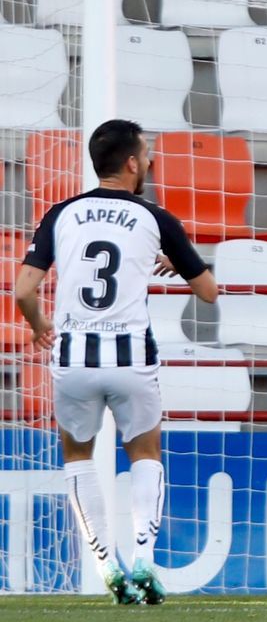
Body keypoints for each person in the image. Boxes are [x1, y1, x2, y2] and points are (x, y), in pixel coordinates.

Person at [14, 119, 218, 605]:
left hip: (74, 356)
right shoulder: (156, 218)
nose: (148, 160)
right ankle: (145, 558)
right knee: (145, 453)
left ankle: (108, 567)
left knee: (78, 457)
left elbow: (23, 289)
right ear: (131, 163)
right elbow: (208, 293)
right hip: (130, 356)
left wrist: (40, 325)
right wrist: (180, 264)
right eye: (146, 153)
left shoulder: (61, 213)